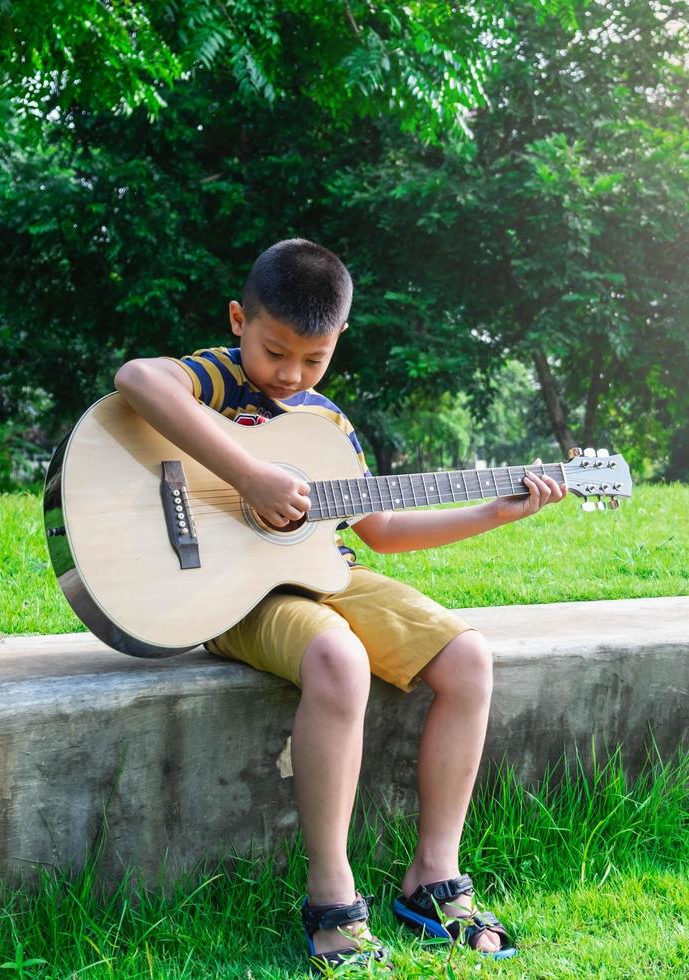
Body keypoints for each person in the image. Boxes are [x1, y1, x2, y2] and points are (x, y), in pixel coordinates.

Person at [112, 238, 565, 971]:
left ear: (338, 342)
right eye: (275, 351)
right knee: (338, 657)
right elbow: (136, 380)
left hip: (330, 575)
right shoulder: (215, 378)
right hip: (233, 593)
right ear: (237, 319)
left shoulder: (326, 424)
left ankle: (433, 877)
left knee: (469, 657)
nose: (290, 374)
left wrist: (493, 512)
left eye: (312, 359)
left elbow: (380, 530)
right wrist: (250, 475)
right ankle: (331, 893)